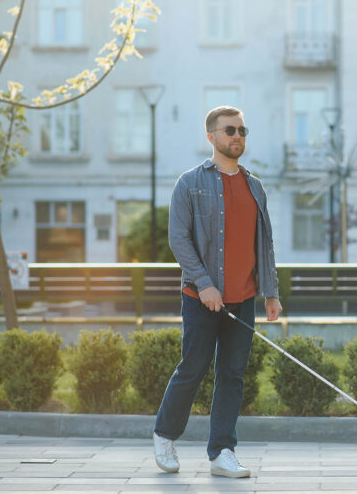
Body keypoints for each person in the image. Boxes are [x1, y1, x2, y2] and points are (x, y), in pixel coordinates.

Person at [152, 106, 282, 478]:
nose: (238, 136)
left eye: (242, 129)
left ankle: (222, 451)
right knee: (192, 368)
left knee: (233, 374)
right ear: (211, 136)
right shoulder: (190, 183)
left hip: (243, 300)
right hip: (201, 299)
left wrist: (270, 292)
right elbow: (179, 239)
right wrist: (204, 284)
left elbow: (264, 243)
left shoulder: (254, 186)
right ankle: (164, 434)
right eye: (230, 130)